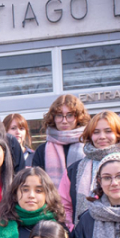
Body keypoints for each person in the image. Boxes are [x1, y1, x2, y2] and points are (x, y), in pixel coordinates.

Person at [66, 111, 120, 224]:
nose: (102, 137)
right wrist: (74, 230)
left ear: (119, 134)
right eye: (96, 132)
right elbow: (64, 206)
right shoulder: (73, 170)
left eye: (108, 131)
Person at [33, 94, 89, 223]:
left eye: (70, 115)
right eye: (59, 115)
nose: (64, 120)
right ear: (53, 118)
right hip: (49, 215)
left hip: (84, 214)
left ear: (78, 118)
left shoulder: (88, 146)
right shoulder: (42, 150)